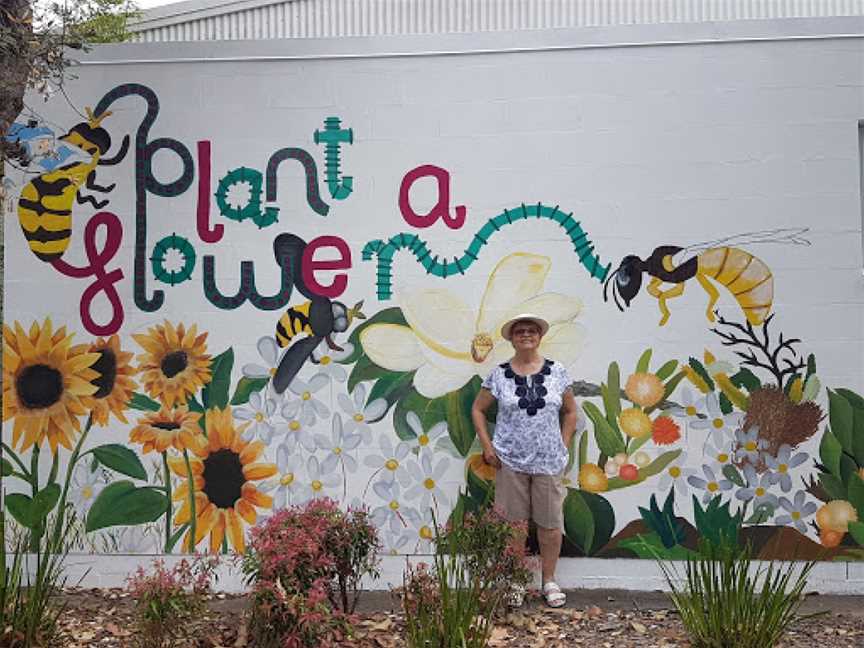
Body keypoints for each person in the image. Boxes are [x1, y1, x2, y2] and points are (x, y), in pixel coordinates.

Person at [471, 313, 579, 608]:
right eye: (520, 331)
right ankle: (516, 580)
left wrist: (563, 444)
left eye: (532, 330)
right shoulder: (499, 374)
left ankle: (549, 580)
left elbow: (571, 412)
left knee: (549, 523)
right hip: (510, 461)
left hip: (548, 461)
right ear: (512, 338)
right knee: (514, 524)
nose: (526, 334)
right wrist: (487, 445)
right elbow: (478, 410)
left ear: (540, 336)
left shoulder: (558, 372)